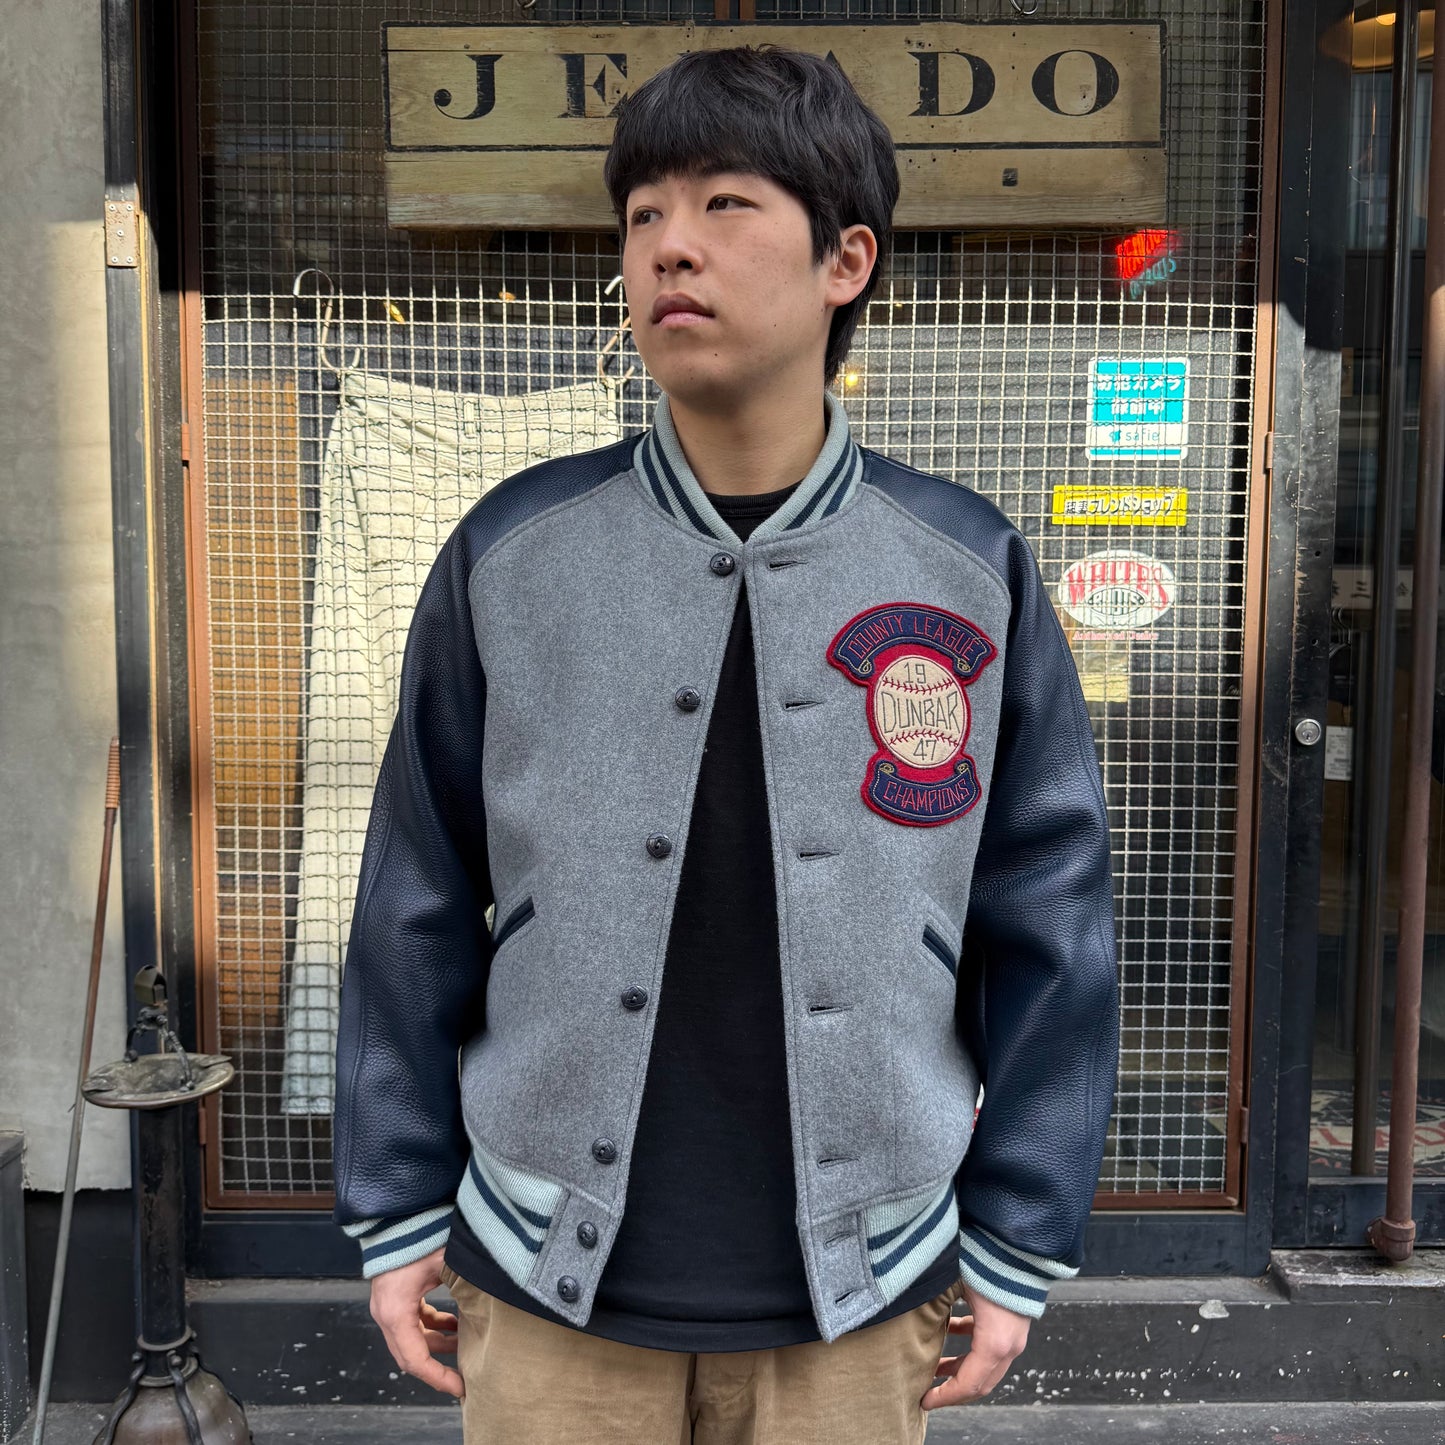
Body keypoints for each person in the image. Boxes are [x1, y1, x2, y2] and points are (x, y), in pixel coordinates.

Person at [330, 43, 1119, 1445]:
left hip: (866, 1284)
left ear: (845, 260)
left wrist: (1017, 1235)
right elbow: (414, 897)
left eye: (724, 204)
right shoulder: (515, 556)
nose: (668, 246)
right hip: (542, 1275)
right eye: (642, 213)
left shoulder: (962, 569)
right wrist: (395, 1205)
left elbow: (1047, 919)